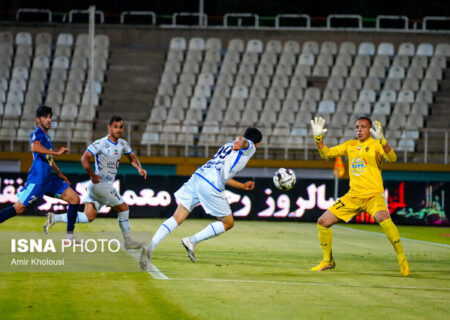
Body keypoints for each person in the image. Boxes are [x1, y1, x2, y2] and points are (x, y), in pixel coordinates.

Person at [139, 127, 262, 270]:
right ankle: (192, 240)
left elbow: (226, 177)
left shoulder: (228, 145)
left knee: (177, 217)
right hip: (211, 184)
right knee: (228, 223)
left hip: (199, 176)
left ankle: (150, 247)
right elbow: (245, 143)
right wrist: (242, 141)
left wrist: (242, 186)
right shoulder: (249, 147)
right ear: (257, 144)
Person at [309, 116, 410, 276]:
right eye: (357, 127)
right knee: (323, 222)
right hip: (353, 196)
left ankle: (401, 257)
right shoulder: (350, 145)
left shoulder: (376, 144)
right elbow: (326, 154)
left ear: (370, 129)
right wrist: (318, 138)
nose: (359, 130)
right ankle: (328, 261)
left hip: (373, 195)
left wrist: (383, 141)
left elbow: (393, 158)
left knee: (383, 218)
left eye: (363, 127)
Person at [43, 115, 147, 249]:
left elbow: (132, 157)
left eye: (121, 127)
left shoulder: (123, 144)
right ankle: (128, 242)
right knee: (124, 208)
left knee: (88, 217)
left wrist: (139, 167)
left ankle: (55, 218)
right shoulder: (101, 143)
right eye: (115, 127)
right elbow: (84, 158)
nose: (118, 130)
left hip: (99, 186)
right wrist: (92, 174)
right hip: (100, 184)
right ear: (109, 128)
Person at [0, 106, 80, 241]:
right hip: (37, 181)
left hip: (49, 180)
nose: (49, 120)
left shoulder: (47, 137)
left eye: (50, 117)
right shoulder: (37, 132)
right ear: (38, 120)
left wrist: (59, 172)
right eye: (45, 117)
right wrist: (56, 152)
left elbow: (47, 158)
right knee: (18, 209)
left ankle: (69, 237)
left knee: (75, 199)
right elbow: (34, 147)